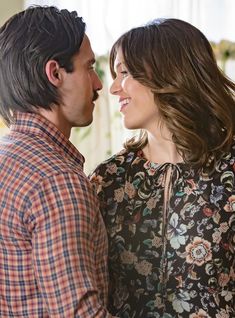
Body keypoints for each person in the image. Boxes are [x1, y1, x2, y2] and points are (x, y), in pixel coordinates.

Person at [89, 18, 235, 318]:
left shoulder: (230, 168)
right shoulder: (109, 179)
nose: (114, 88)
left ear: (168, 72)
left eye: (125, 73)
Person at [0, 6, 117, 318]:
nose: (98, 84)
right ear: (54, 73)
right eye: (90, 68)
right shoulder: (55, 180)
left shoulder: (6, 155)